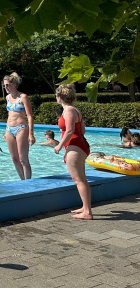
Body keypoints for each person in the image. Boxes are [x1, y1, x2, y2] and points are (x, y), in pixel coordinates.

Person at [54, 84, 92, 220]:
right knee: (82, 179)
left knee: (79, 180)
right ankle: (85, 207)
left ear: (60, 97)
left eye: (56, 95)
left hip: (75, 146)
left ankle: (87, 212)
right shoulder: (75, 110)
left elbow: (69, 131)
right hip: (80, 145)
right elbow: (82, 130)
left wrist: (59, 146)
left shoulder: (69, 111)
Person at [3, 72, 35, 180]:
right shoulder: (7, 97)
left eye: (7, 85)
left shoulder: (23, 97)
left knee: (23, 159)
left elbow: (30, 116)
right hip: (9, 129)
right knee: (14, 159)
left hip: (21, 128)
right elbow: (9, 115)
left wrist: (31, 134)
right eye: (4, 85)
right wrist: (5, 131)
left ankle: (28, 183)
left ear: (14, 84)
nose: (5, 87)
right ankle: (22, 181)